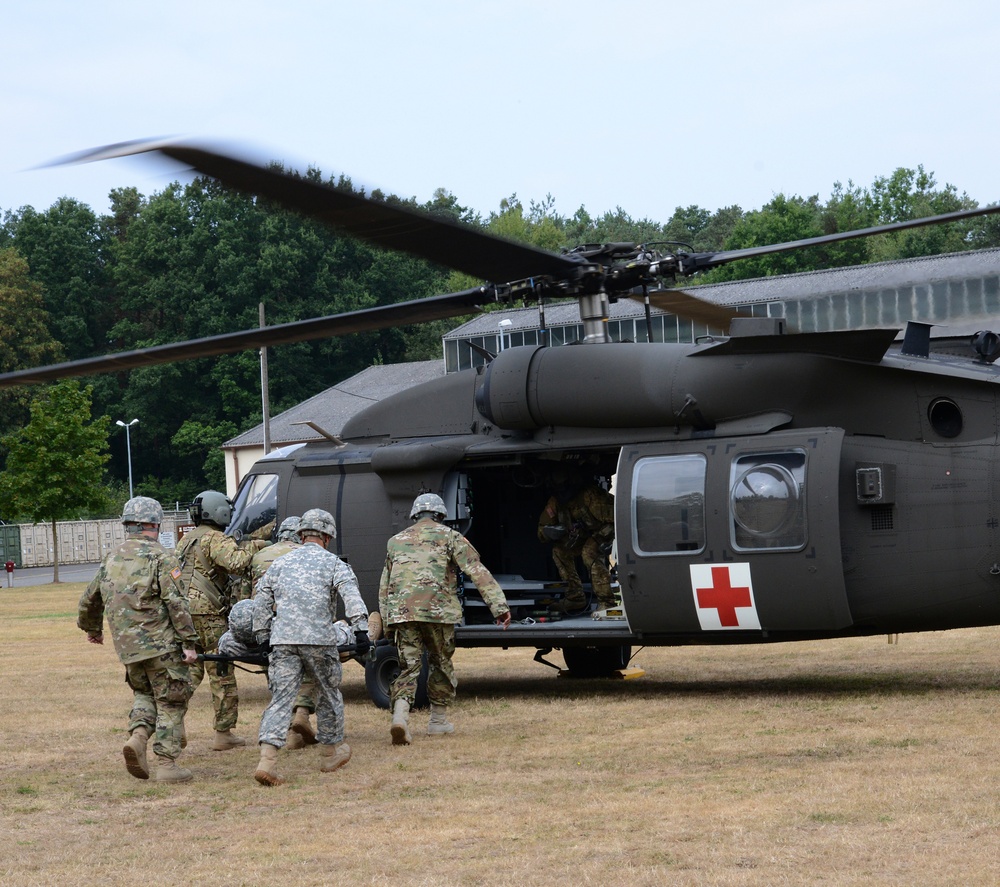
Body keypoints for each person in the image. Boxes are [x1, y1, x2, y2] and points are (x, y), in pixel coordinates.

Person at [77, 496, 200, 784]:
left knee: (145, 695)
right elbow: (177, 604)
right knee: (172, 700)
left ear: (128, 525)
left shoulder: (112, 558)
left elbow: (89, 600)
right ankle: (167, 764)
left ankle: (139, 736)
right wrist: (189, 643)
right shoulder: (162, 557)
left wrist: (92, 629)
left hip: (129, 650)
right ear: (153, 524)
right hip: (162, 646)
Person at [379, 492, 511, 746]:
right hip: (438, 614)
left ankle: (400, 718)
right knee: (440, 663)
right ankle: (437, 721)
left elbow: (385, 585)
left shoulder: (395, 541)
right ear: (440, 515)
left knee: (409, 667)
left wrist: (387, 622)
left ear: (415, 515)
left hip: (403, 615)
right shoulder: (451, 537)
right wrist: (499, 607)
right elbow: (477, 571)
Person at [251, 507, 368, 786]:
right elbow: (350, 594)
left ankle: (267, 761)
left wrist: (263, 635)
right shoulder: (334, 564)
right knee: (328, 694)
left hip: (283, 640)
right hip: (319, 639)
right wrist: (361, 628)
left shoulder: (280, 564)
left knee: (281, 699)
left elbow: (262, 600)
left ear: (301, 534)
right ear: (327, 537)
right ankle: (329, 754)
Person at [175, 489, 265, 751]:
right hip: (210, 614)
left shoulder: (186, 540)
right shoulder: (215, 538)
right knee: (221, 669)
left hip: (183, 613)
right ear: (220, 512)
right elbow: (236, 563)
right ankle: (223, 734)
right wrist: (256, 545)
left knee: (190, 670)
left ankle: (174, 721)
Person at [250, 515, 317, 750]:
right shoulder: (306, 556)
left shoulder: (259, 556)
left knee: (279, 679)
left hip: (268, 628)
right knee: (309, 670)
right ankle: (302, 713)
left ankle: (290, 731)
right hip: (298, 624)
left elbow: (250, 598)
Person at [537, 471, 617, 612]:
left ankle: (608, 602)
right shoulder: (555, 502)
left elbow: (618, 517)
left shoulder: (590, 496)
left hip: (604, 531)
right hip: (581, 536)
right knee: (559, 551)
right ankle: (575, 598)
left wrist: (606, 539)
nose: (561, 491)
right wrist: (550, 532)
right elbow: (542, 529)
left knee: (589, 552)